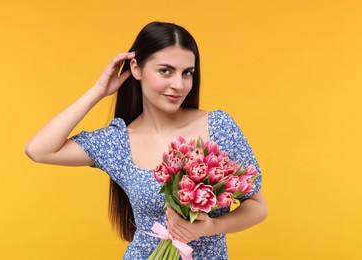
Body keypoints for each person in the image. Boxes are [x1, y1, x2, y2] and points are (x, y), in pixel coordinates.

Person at [25, 21, 267, 259]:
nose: (178, 85)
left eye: (187, 73)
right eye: (165, 71)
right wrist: (97, 91)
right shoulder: (117, 142)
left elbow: (257, 206)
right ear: (137, 69)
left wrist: (211, 228)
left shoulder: (218, 126)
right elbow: (39, 150)